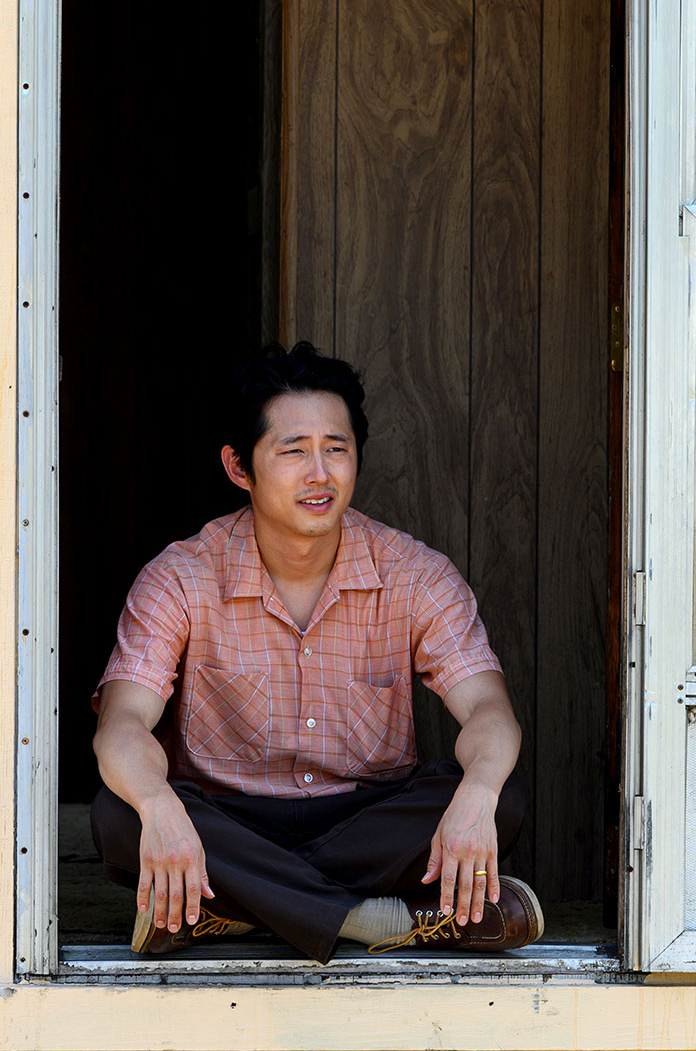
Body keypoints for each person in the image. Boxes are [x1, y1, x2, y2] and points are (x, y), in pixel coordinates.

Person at [89, 342, 543, 961]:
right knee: (120, 814)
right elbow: (121, 726)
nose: (320, 474)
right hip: (230, 819)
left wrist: (481, 792)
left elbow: (489, 711)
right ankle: (376, 920)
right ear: (238, 467)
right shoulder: (181, 578)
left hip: (360, 822)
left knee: (501, 794)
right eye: (293, 451)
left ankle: (237, 910)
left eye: (336, 449)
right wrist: (156, 805)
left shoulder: (414, 574)